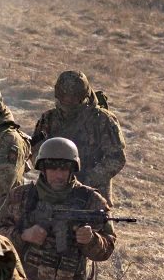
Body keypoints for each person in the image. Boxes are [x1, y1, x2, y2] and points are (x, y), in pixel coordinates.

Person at [0, 137, 117, 280]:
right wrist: (23, 235)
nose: (58, 174)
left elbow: (106, 249)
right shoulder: (21, 197)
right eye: (52, 168)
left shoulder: (91, 201)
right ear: (42, 168)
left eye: (64, 168)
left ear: (73, 170)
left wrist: (90, 239)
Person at [28, 71, 127, 199]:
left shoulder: (102, 120)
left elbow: (116, 158)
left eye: (73, 97)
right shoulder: (49, 119)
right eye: (64, 96)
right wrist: (53, 173)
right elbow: (35, 151)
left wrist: (88, 179)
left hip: (92, 195)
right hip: (52, 194)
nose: (68, 100)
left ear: (83, 95)